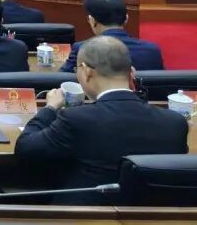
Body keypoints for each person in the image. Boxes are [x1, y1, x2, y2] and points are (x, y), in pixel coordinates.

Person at [15, 36, 188, 203]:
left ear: (86, 71)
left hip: (82, 215)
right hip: (154, 215)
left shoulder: (76, 118)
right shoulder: (175, 123)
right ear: (132, 73)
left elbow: (26, 148)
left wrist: (50, 108)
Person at [61, 0, 163, 72]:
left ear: (92, 21)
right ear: (126, 18)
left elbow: (58, 81)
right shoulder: (152, 50)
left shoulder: (82, 49)